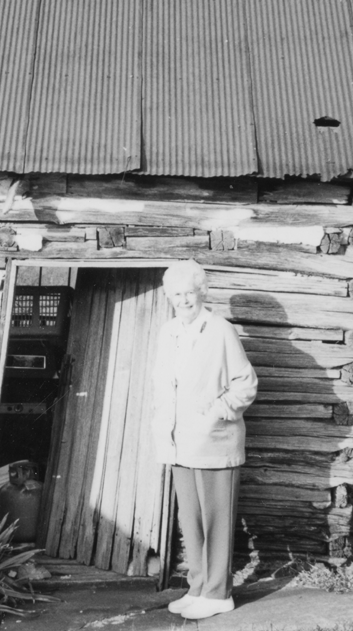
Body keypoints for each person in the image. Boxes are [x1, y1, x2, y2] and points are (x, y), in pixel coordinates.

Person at [151, 259, 257, 620]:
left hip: (214, 442)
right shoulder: (169, 332)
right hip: (180, 444)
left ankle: (218, 593)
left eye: (190, 292)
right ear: (169, 297)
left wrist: (217, 411)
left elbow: (246, 383)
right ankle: (198, 587)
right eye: (177, 294)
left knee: (216, 520)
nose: (184, 300)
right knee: (191, 520)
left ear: (202, 293)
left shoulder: (220, 330)